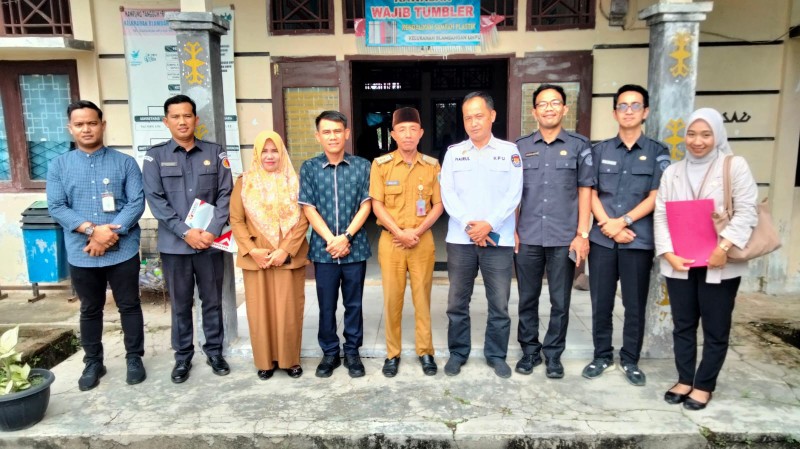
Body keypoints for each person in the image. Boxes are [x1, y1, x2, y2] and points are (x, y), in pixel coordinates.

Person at [655, 108, 757, 410]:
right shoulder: (673, 172)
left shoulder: (733, 166)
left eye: (705, 134)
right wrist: (668, 253)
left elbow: (747, 211)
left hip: (719, 262)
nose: (697, 141)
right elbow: (661, 214)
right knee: (683, 324)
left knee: (715, 326)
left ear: (717, 136)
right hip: (680, 261)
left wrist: (723, 247)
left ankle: (704, 385)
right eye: (692, 134)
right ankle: (685, 379)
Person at [47, 100, 146, 391]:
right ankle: (93, 362)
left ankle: (134, 358)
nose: (86, 129)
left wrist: (108, 235)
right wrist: (92, 231)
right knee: (90, 308)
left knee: (129, 305)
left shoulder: (125, 162)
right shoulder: (59, 165)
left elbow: (136, 202)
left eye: (92, 123)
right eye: (79, 124)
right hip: (82, 252)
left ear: (102, 125)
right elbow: (57, 206)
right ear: (70, 128)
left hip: (123, 250)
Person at [583, 84, 671, 386]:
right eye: (623, 105)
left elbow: (656, 196)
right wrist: (607, 224)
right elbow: (591, 192)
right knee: (601, 303)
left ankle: (630, 359)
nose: (629, 111)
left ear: (645, 112)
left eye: (635, 106)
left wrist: (623, 222)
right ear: (614, 112)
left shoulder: (657, 152)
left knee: (634, 305)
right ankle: (602, 355)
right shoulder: (599, 151)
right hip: (602, 239)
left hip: (637, 240)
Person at [142, 94, 233, 383]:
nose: (182, 121)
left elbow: (226, 195)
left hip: (210, 244)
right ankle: (182, 357)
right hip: (175, 246)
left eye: (187, 115)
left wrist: (212, 231)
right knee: (180, 304)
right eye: (176, 116)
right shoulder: (155, 157)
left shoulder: (215, 152)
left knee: (212, 301)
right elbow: (156, 201)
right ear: (166, 121)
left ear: (196, 119)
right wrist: (185, 232)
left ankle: (215, 351)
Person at [440, 92, 523, 378]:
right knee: (456, 303)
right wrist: (470, 225)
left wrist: (489, 224)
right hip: (461, 240)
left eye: (479, 116)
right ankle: (458, 352)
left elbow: (514, 194)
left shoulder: (510, 152)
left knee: (499, 303)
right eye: (468, 118)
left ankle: (496, 355)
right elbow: (447, 193)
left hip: (498, 239)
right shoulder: (454, 153)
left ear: (492, 116)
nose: (473, 123)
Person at [514, 84, 593, 379]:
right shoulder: (521, 147)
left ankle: (553, 354)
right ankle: (529, 351)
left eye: (555, 102)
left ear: (565, 109)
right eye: (543, 104)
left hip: (564, 237)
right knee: (527, 298)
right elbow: (512, 193)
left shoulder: (579, 145)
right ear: (534, 111)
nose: (549, 108)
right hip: (528, 235)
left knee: (560, 301)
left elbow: (585, 190)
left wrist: (582, 234)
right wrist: (513, 230)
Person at [370, 107, 444, 377]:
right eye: (402, 130)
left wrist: (418, 231)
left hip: (421, 241)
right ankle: (393, 353)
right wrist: (399, 232)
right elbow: (377, 205)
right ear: (393, 134)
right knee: (392, 299)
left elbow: (439, 205)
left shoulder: (432, 165)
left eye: (413, 129)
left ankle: (426, 351)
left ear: (421, 133)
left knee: (422, 298)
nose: (408, 135)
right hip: (392, 242)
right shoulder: (381, 165)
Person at [230, 131, 310, 380]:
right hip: (257, 258)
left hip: (287, 256)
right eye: (264, 151)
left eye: (274, 150)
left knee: (288, 310)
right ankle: (264, 361)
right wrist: (252, 250)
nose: (270, 156)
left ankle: (290, 360)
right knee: (260, 312)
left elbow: (304, 218)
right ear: (256, 154)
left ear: (282, 152)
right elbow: (236, 219)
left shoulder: (295, 181)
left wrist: (285, 249)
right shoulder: (244, 182)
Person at [299, 110, 372, 378]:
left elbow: (367, 204)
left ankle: (352, 351)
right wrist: (332, 239)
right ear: (318, 136)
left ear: (347, 133)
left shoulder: (363, 166)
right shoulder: (309, 168)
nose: (333, 136)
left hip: (355, 249)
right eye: (326, 132)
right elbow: (308, 207)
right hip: (324, 250)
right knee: (326, 305)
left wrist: (346, 237)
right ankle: (329, 352)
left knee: (354, 304)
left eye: (337, 131)